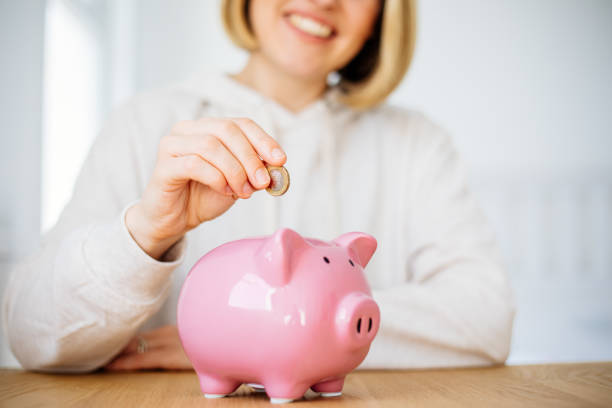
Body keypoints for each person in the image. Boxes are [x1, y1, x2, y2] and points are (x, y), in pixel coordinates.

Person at [2, 0, 515, 373]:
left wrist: (241, 338)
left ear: (383, 14)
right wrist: (147, 230)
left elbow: (485, 318)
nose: (323, 1)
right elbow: (32, 332)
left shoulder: (416, 143)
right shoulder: (146, 122)